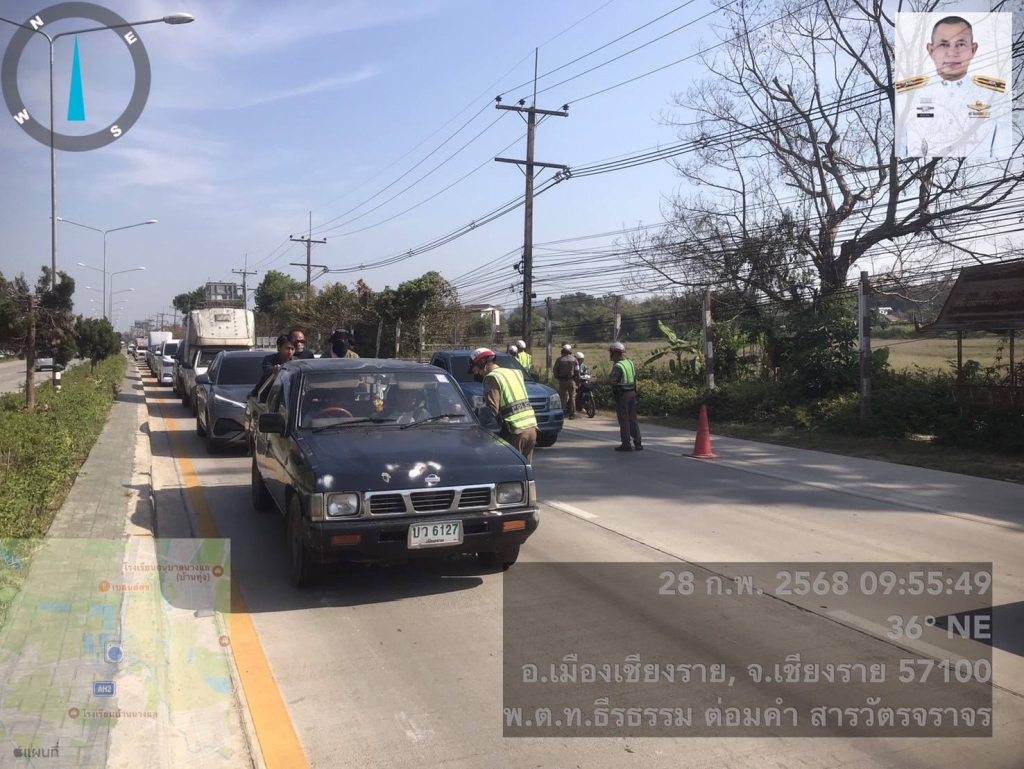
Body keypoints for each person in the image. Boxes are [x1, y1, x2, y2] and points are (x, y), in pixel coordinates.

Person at [896, 16, 1009, 158]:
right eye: (943, 45)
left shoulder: (996, 97)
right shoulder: (906, 96)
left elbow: (1003, 155)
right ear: (931, 50)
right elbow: (897, 159)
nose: (952, 52)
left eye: (960, 44)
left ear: (973, 49)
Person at [469, 347, 538, 464]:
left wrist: (472, 416)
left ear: (482, 363)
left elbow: (492, 409)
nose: (475, 373)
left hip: (515, 431)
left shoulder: (491, 378)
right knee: (525, 470)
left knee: (510, 469)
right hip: (532, 428)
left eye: (475, 369)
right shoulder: (514, 372)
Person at [601, 341, 642, 452]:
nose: (610, 355)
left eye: (611, 353)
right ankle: (638, 443)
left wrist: (597, 382)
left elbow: (611, 381)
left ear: (614, 353)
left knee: (624, 419)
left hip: (623, 395)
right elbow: (634, 378)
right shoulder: (629, 362)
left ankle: (626, 444)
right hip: (632, 393)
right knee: (633, 419)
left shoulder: (618, 366)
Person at [552, 343, 579, 419]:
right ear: (570, 351)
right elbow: (577, 371)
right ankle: (572, 414)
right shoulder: (574, 359)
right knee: (572, 398)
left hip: (562, 381)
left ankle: (562, 413)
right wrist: (577, 380)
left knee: (562, 398)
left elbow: (555, 369)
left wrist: (558, 377)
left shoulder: (559, 359)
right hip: (571, 381)